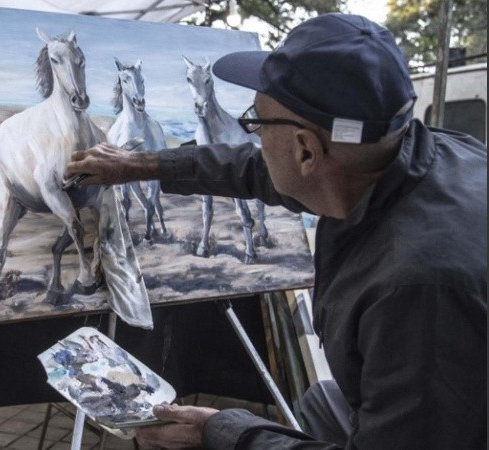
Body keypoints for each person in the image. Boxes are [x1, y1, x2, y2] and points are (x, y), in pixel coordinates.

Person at [66, 13, 486, 449]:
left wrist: (225, 433)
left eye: (256, 123)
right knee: (324, 399)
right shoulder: (412, 158)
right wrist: (139, 165)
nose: (254, 138)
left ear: (306, 150)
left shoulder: (416, 291)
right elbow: (258, 169)